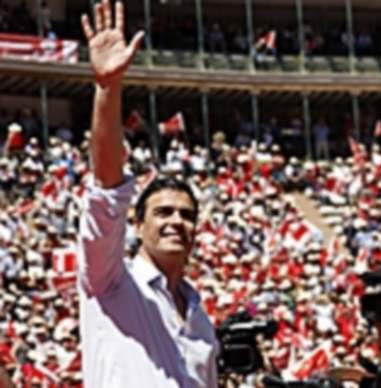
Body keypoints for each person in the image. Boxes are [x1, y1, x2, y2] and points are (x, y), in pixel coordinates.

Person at [78, 1, 217, 386]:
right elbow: (107, 188)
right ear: (137, 224)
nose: (177, 222)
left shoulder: (199, 316)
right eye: (164, 212)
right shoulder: (111, 280)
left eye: (187, 215)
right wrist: (108, 88)